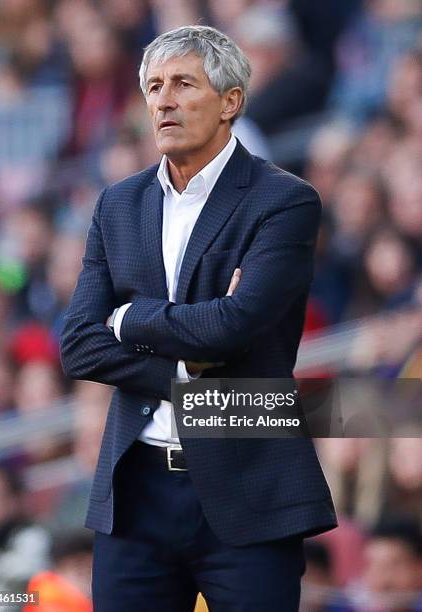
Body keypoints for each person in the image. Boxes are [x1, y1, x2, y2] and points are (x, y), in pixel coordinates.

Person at [60, 25, 337, 612]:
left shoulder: (284, 200)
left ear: (230, 101)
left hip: (250, 483)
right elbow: (79, 345)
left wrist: (130, 318)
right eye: (154, 86)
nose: (164, 99)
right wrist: (188, 376)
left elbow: (233, 327)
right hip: (135, 492)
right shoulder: (117, 203)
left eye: (184, 83)